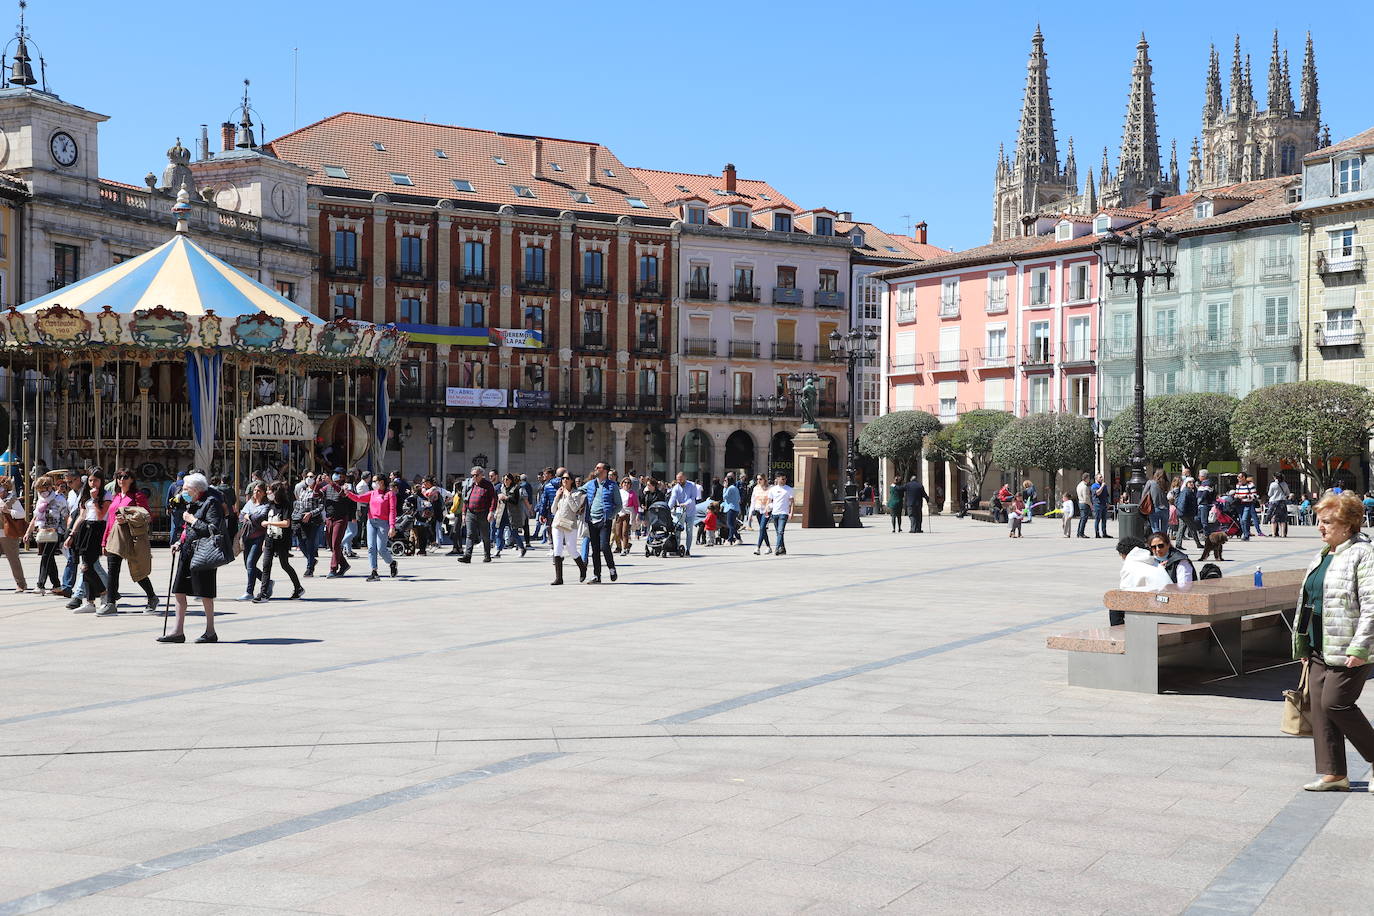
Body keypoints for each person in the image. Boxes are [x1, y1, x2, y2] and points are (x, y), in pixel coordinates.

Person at [1295, 491, 1374, 792]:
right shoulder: (1324, 554)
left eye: (1327, 521)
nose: (1320, 527)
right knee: (1319, 706)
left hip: (1349, 645)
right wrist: (1302, 643)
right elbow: (1309, 600)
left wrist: (1360, 646)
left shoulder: (1363, 553)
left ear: (1348, 523)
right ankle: (1333, 773)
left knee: (1336, 703)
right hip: (1318, 645)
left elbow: (1371, 604)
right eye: (1320, 520)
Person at [158, 472, 222, 643]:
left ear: (195, 490)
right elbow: (187, 529)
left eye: (185, 489)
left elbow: (213, 529)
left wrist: (193, 520)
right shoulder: (191, 503)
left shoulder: (211, 503)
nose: (182, 492)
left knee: (205, 592)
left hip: (203, 554)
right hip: (187, 551)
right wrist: (179, 541)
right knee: (179, 590)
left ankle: (210, 631)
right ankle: (177, 631)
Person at [100, 468, 159, 615]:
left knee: (138, 571)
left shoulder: (138, 496)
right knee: (113, 570)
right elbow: (110, 521)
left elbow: (147, 516)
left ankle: (152, 597)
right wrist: (104, 541)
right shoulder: (116, 496)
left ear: (132, 479)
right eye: (119, 477)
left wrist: (127, 518)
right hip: (115, 536)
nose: (121, 480)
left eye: (125, 477)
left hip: (132, 536)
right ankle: (111, 603)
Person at [65, 469, 109, 612]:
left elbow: (101, 515)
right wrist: (72, 534)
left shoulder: (106, 495)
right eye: (90, 480)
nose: (93, 483)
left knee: (86, 566)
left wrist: (95, 499)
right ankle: (89, 602)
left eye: (96, 480)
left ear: (101, 481)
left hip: (98, 529)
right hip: (85, 529)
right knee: (85, 565)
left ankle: (104, 593)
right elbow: (82, 515)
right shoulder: (85, 495)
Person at [257, 481, 304, 602]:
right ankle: (263, 593)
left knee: (285, 565)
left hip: (282, 540)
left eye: (270, 490)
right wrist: (264, 540)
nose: (268, 493)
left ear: (276, 492)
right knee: (266, 566)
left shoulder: (286, 505)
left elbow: (286, 523)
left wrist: (269, 523)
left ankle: (298, 588)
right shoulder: (270, 504)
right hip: (269, 539)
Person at [346, 474, 398, 580]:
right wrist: (348, 493)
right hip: (371, 522)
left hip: (383, 523)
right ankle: (374, 571)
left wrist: (392, 526)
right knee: (371, 547)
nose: (373, 483)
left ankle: (392, 563)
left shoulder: (390, 494)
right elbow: (358, 498)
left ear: (382, 482)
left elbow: (392, 511)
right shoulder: (372, 493)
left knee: (381, 549)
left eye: (375, 481)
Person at [1115, 535, 1172, 624]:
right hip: (1168, 601)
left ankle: (1119, 634)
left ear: (1123, 554)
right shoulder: (1152, 561)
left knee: (1115, 604)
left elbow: (1125, 593)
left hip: (1159, 606)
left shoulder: (1130, 564)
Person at [25, 475, 65, 595]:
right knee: (49, 558)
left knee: (45, 557)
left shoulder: (59, 499)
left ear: (49, 488)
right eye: (39, 491)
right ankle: (57, 585)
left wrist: (68, 533)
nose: (41, 493)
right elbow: (35, 518)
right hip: (43, 533)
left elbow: (66, 516)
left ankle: (40, 585)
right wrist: (28, 532)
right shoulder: (40, 501)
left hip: (56, 532)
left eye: (43, 490)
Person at [582, 462, 622, 583]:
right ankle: (597, 575)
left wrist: (610, 515)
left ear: (605, 471)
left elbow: (619, 505)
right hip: (591, 520)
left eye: (598, 468)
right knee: (594, 549)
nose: (596, 469)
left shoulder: (612, 485)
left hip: (604, 520)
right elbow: (577, 490)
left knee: (604, 546)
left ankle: (611, 568)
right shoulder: (591, 484)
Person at [549, 472, 587, 585]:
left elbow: (575, 509)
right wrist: (557, 497)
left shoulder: (577, 493)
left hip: (570, 524)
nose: (564, 480)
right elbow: (553, 510)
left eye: (567, 478)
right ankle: (559, 578)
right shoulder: (559, 492)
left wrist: (568, 494)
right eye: (563, 478)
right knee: (557, 548)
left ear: (571, 480)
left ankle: (582, 568)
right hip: (557, 523)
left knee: (571, 549)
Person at [455, 465, 497, 564]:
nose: (474, 477)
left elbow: (494, 499)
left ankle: (487, 555)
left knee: (485, 535)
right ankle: (467, 556)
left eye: (476, 475)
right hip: (471, 513)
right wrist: (464, 513)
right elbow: (466, 500)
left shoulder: (488, 485)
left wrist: (491, 512)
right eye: (472, 475)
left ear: (482, 475)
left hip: (483, 513)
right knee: (469, 535)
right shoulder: (470, 485)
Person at [0, 475, 28, 593]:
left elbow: (22, 514)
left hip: (8, 534)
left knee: (13, 559)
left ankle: (21, 584)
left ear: (5, 488)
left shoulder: (12, 500)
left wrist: (9, 511)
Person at [493, 472, 528, 558]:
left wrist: (506, 498)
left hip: (512, 514)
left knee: (514, 533)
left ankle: (522, 548)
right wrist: (496, 512)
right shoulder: (501, 488)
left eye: (507, 479)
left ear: (511, 480)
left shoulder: (515, 488)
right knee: (499, 532)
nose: (505, 481)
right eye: (504, 479)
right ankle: (498, 550)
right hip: (502, 513)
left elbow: (515, 501)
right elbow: (498, 501)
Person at [668, 472, 700, 557]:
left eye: (681, 479)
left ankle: (688, 549)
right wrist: (668, 508)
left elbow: (693, 498)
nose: (679, 481)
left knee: (689, 531)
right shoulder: (676, 487)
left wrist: (685, 504)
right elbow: (673, 498)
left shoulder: (692, 485)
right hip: (680, 511)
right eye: (678, 479)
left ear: (685, 477)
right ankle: (677, 548)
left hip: (690, 511)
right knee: (678, 530)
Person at [766, 474, 795, 555]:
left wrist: (791, 512)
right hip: (775, 513)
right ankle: (782, 548)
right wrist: (767, 509)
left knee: (780, 531)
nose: (784, 480)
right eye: (782, 479)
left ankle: (777, 548)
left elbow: (792, 502)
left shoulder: (789, 489)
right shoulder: (773, 489)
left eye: (785, 479)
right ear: (777, 479)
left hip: (784, 513)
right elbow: (769, 500)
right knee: (778, 532)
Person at [1176, 476, 1204, 548]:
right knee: (1192, 528)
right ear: (1186, 483)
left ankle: (1178, 544)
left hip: (1183, 513)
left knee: (1181, 528)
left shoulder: (1189, 491)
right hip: (1186, 513)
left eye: (1192, 482)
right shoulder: (1186, 491)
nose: (1192, 483)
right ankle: (1198, 544)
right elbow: (1182, 502)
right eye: (1189, 482)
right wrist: (1182, 512)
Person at [1234, 471, 1260, 540]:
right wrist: (1237, 497)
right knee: (1241, 521)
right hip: (1239, 505)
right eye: (1238, 477)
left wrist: (1245, 496)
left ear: (1244, 478)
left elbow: (1254, 496)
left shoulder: (1250, 485)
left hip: (1247, 504)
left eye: (1239, 477)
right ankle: (1246, 533)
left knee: (1244, 519)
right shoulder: (1238, 485)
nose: (1238, 478)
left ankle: (1246, 535)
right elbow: (1236, 494)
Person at [751, 476, 773, 555]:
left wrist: (769, 508)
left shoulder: (770, 489)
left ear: (764, 480)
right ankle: (768, 547)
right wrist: (750, 514)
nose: (758, 481)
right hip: (758, 510)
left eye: (760, 479)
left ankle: (758, 548)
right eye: (757, 479)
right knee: (763, 529)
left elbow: (772, 500)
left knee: (762, 528)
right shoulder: (756, 488)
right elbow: (753, 501)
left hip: (766, 511)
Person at [1143, 469, 1168, 534]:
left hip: (1154, 508)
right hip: (1165, 509)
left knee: (1155, 529)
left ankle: (1157, 542)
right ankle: (1163, 542)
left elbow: (1144, 494)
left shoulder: (1150, 482)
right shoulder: (1166, 483)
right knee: (1164, 530)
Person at [1267, 473, 1291, 537]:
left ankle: (1273, 533)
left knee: (1273, 517)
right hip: (1282, 501)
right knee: (1283, 518)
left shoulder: (1273, 484)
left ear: (1275, 477)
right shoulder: (1285, 484)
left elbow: (1269, 494)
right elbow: (1287, 493)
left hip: (1273, 502)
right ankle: (1283, 534)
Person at [722, 474, 741, 545]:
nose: (724, 482)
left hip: (731, 508)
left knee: (729, 524)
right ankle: (738, 538)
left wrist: (724, 488)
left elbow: (724, 497)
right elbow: (739, 498)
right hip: (735, 508)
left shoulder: (729, 488)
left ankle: (730, 539)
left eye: (725, 481)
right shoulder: (735, 488)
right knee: (732, 524)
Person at [1196, 469, 1216, 536]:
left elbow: (1205, 493)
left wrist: (1200, 500)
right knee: (1197, 519)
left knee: (1204, 521)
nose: (1198, 477)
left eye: (1199, 476)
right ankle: (1202, 532)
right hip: (1201, 504)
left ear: (1203, 476)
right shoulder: (1202, 483)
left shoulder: (1208, 483)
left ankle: (1206, 534)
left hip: (1204, 504)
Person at [1091, 474, 1111, 538]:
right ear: (1096, 478)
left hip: (1104, 504)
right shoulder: (1094, 486)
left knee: (1104, 520)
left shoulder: (1104, 486)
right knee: (1097, 519)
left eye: (1102, 477)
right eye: (1100, 477)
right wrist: (1102, 486)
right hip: (1097, 504)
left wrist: (1108, 502)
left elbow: (1106, 495)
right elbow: (1097, 493)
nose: (1102, 478)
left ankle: (1104, 533)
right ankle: (1097, 534)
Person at [1075, 472, 1092, 538]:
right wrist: (1091, 505)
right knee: (1084, 519)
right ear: (1086, 478)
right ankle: (1081, 533)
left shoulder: (1079, 485)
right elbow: (1086, 498)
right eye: (1089, 478)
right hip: (1084, 504)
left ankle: (1079, 533)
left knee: (1082, 519)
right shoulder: (1085, 487)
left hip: (1080, 503)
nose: (1089, 479)